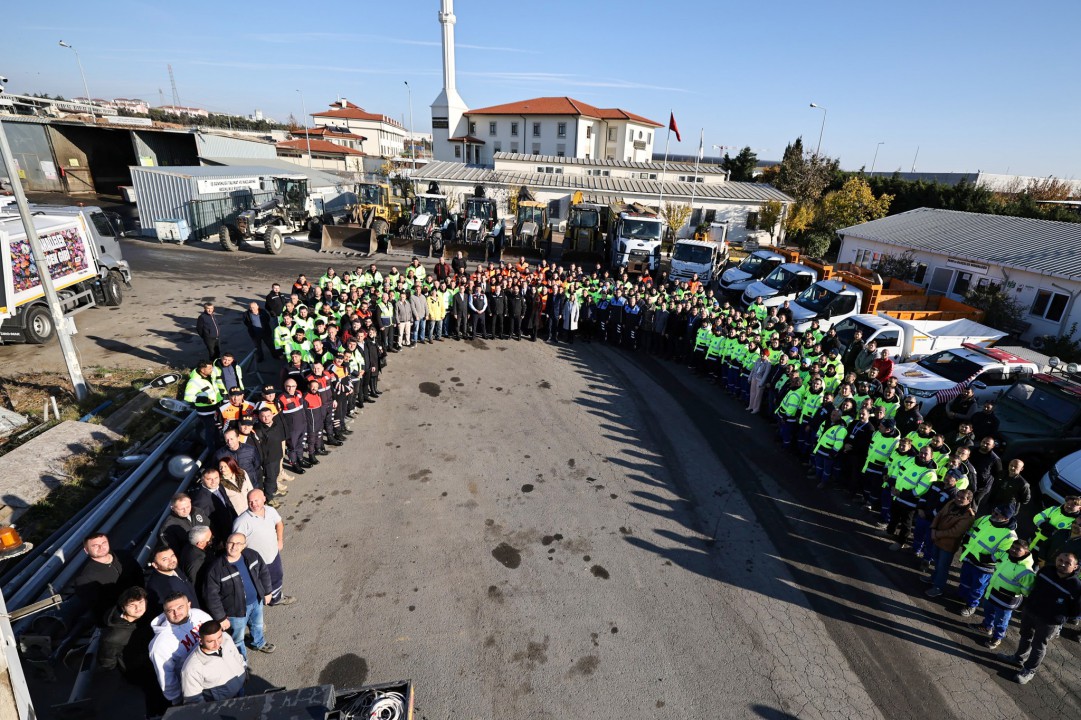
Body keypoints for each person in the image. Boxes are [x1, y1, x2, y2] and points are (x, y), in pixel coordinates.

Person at [999, 552, 1081, 684]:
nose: (1062, 564)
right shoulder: (1046, 570)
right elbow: (1034, 587)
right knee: (1025, 636)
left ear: (1075, 567)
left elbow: (1076, 610)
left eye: (1068, 563)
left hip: (1049, 621)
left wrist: (1059, 618)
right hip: (1031, 611)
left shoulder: (1076, 586)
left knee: (1038, 645)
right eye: (1060, 560)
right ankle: (1018, 658)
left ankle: (1029, 670)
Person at [203, 533, 275, 658]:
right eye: (231, 543)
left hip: (256, 602)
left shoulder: (252, 555)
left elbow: (264, 572)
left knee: (258, 625)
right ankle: (241, 660)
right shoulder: (216, 569)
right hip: (235, 612)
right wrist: (220, 618)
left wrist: (268, 592)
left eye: (238, 543)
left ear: (244, 546)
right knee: (237, 637)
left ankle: (258, 642)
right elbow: (211, 596)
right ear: (226, 545)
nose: (234, 546)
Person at [99, 586, 167, 716]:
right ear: (123, 607)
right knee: (152, 697)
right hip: (139, 670)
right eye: (132, 605)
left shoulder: (148, 615)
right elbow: (107, 661)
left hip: (154, 661)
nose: (138, 608)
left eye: (141, 602)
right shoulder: (113, 635)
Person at [149, 592, 214, 707]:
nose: (176, 613)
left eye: (180, 607)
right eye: (170, 610)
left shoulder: (200, 615)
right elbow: (166, 676)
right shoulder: (160, 644)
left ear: (189, 605)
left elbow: (219, 638)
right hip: (195, 687)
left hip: (216, 671)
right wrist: (177, 699)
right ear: (165, 613)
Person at [233, 489, 295, 607]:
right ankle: (258, 606)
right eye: (250, 501)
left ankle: (276, 598)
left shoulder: (271, 510)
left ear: (264, 499)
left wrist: (280, 540)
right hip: (257, 563)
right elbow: (236, 543)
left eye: (256, 500)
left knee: (277, 577)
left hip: (273, 555)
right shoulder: (241, 522)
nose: (254, 504)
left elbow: (279, 523)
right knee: (258, 584)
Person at [956, 505, 1019, 617]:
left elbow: (1004, 553)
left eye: (996, 514)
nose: (993, 515)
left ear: (1005, 518)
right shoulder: (985, 518)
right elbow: (972, 530)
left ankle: (971, 605)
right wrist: (965, 543)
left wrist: (987, 559)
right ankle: (962, 596)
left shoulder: (1010, 536)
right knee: (965, 579)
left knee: (977, 588)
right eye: (994, 511)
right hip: (970, 558)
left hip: (984, 566)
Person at [975, 538, 1035, 649]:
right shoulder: (1006, 556)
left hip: (1006, 601)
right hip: (992, 593)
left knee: (1001, 621)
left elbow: (1026, 591)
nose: (1013, 550)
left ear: (1026, 552)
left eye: (1018, 549)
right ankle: (987, 627)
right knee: (988, 611)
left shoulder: (1027, 571)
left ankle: (997, 637)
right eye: (1012, 547)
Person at [72, 532, 143, 626]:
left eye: (103, 543)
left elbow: (140, 576)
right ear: (86, 550)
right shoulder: (85, 578)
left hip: (142, 607)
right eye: (95, 546)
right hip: (118, 621)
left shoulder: (124, 556)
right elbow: (99, 607)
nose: (101, 547)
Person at [180, 620, 247, 704]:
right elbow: (193, 699)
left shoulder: (226, 638)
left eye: (219, 637)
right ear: (200, 640)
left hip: (241, 688)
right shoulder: (191, 669)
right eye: (210, 641)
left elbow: (237, 656)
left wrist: (244, 671)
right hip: (223, 703)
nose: (217, 644)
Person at [925, 488, 977, 597]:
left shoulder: (969, 516)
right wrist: (933, 528)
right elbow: (939, 515)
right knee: (936, 560)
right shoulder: (951, 503)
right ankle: (934, 578)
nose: (958, 499)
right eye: (957, 496)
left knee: (943, 567)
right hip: (936, 538)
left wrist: (936, 534)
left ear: (969, 501)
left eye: (962, 498)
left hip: (948, 545)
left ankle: (938, 587)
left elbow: (955, 532)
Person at [189, 468, 239, 547]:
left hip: (233, 526)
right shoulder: (200, 499)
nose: (214, 482)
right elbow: (205, 523)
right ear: (202, 479)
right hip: (222, 536)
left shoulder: (219, 486)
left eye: (216, 478)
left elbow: (227, 503)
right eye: (209, 479)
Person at [145, 545, 200, 617]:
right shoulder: (158, 586)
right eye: (165, 559)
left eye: (172, 556)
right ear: (155, 565)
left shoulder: (174, 568)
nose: (171, 560)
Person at [183, 362, 223, 450]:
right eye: (209, 368)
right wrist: (202, 400)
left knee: (216, 429)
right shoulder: (193, 382)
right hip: (205, 412)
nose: (211, 370)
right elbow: (188, 397)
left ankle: (218, 445)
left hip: (215, 408)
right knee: (210, 431)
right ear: (202, 370)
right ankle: (212, 450)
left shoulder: (209, 376)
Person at [180, 526, 213, 606]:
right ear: (200, 543)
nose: (212, 539)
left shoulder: (189, 546)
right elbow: (196, 584)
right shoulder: (197, 561)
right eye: (210, 539)